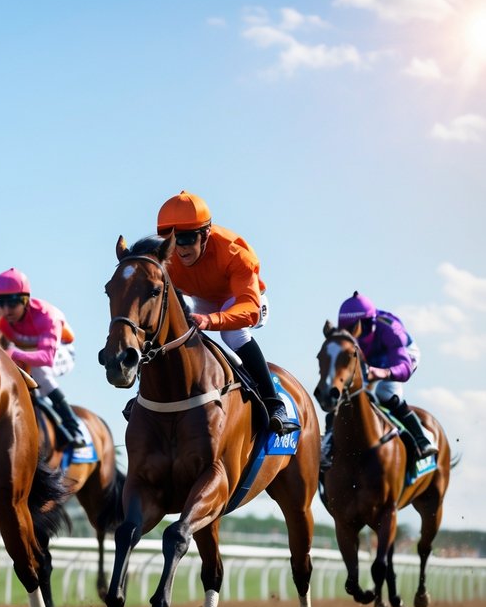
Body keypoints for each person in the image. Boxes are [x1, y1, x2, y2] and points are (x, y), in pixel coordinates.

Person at [157, 191, 298, 435]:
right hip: (202, 299)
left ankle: (274, 404)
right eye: (173, 239)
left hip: (241, 300)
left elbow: (249, 309)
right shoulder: (167, 257)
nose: (180, 248)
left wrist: (211, 320)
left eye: (187, 238)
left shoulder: (234, 253)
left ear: (205, 234)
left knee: (232, 335)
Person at [326, 291, 436, 462]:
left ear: (368, 324)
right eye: (347, 330)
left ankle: (422, 438)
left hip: (399, 357)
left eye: (355, 329)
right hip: (370, 357)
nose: (353, 335)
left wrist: (381, 373)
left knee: (385, 394)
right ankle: (327, 445)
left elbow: (404, 368)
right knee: (344, 397)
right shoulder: (348, 336)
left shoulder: (390, 330)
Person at [0, 268, 84, 448]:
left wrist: (13, 353)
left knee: (39, 370)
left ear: (25, 300)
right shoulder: (3, 322)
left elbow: (46, 357)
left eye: (12, 304)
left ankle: (73, 426)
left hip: (59, 352)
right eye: (2, 304)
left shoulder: (48, 317)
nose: (6, 310)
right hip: (28, 355)